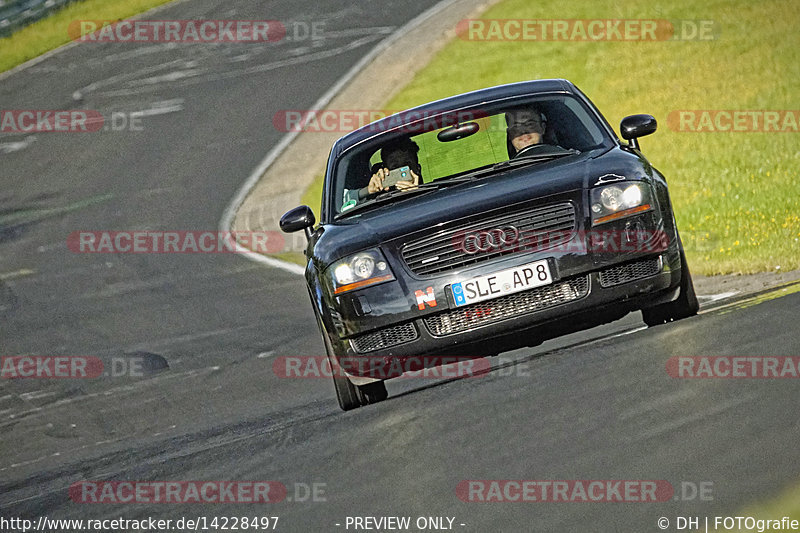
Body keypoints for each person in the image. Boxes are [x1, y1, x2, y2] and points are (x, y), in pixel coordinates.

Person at [342, 136, 422, 211]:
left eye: (407, 164)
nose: (402, 171)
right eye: (395, 167)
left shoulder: (432, 196)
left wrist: (418, 195)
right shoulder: (376, 204)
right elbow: (341, 206)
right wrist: (368, 190)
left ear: (418, 169)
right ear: (386, 171)